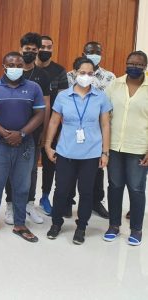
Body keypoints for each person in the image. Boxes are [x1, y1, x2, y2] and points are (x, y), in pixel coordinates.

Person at [46, 57, 112, 245]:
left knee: (86, 192)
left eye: (90, 74)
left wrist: (105, 152)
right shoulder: (63, 96)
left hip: (91, 154)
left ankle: (81, 227)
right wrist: (48, 145)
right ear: (74, 73)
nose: (86, 76)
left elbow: (105, 125)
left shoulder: (100, 96)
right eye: (82, 73)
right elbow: (53, 121)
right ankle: (56, 223)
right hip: (66, 151)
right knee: (61, 191)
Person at [0, 52, 45, 243]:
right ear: (3, 66)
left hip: (25, 144)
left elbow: (40, 114)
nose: (15, 67)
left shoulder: (34, 88)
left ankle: (20, 224)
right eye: (11, 64)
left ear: (23, 66)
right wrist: (5, 134)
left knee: (22, 186)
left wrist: (22, 134)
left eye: (19, 64)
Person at [4, 32, 51, 225]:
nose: (30, 52)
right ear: (21, 50)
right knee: (9, 168)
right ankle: (10, 205)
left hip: (34, 131)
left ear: (38, 51)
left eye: (34, 49)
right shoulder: (12, 71)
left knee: (31, 169)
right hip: (11, 129)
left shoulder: (43, 76)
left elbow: (46, 106)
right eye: (27, 49)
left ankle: (29, 204)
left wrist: (45, 132)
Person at [66, 41, 116, 219]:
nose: (94, 54)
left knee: (96, 169)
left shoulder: (110, 77)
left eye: (97, 52)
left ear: (101, 54)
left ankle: (96, 201)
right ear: (83, 53)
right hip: (74, 130)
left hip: (97, 129)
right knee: (71, 166)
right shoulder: (71, 75)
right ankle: (68, 201)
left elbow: (111, 104)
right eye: (90, 52)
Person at [103, 51, 148, 246]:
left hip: (139, 147)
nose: (134, 67)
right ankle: (114, 225)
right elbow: (104, 114)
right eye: (131, 63)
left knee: (137, 189)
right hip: (114, 147)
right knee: (114, 187)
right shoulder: (115, 84)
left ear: (145, 67)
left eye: (139, 64)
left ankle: (136, 229)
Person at [35, 35, 69, 215]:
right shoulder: (28, 69)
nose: (45, 50)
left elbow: (63, 100)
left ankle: (45, 196)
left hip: (53, 125)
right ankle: (26, 199)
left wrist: (52, 128)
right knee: (29, 165)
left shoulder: (59, 71)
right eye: (42, 47)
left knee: (50, 162)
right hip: (30, 125)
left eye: (49, 47)